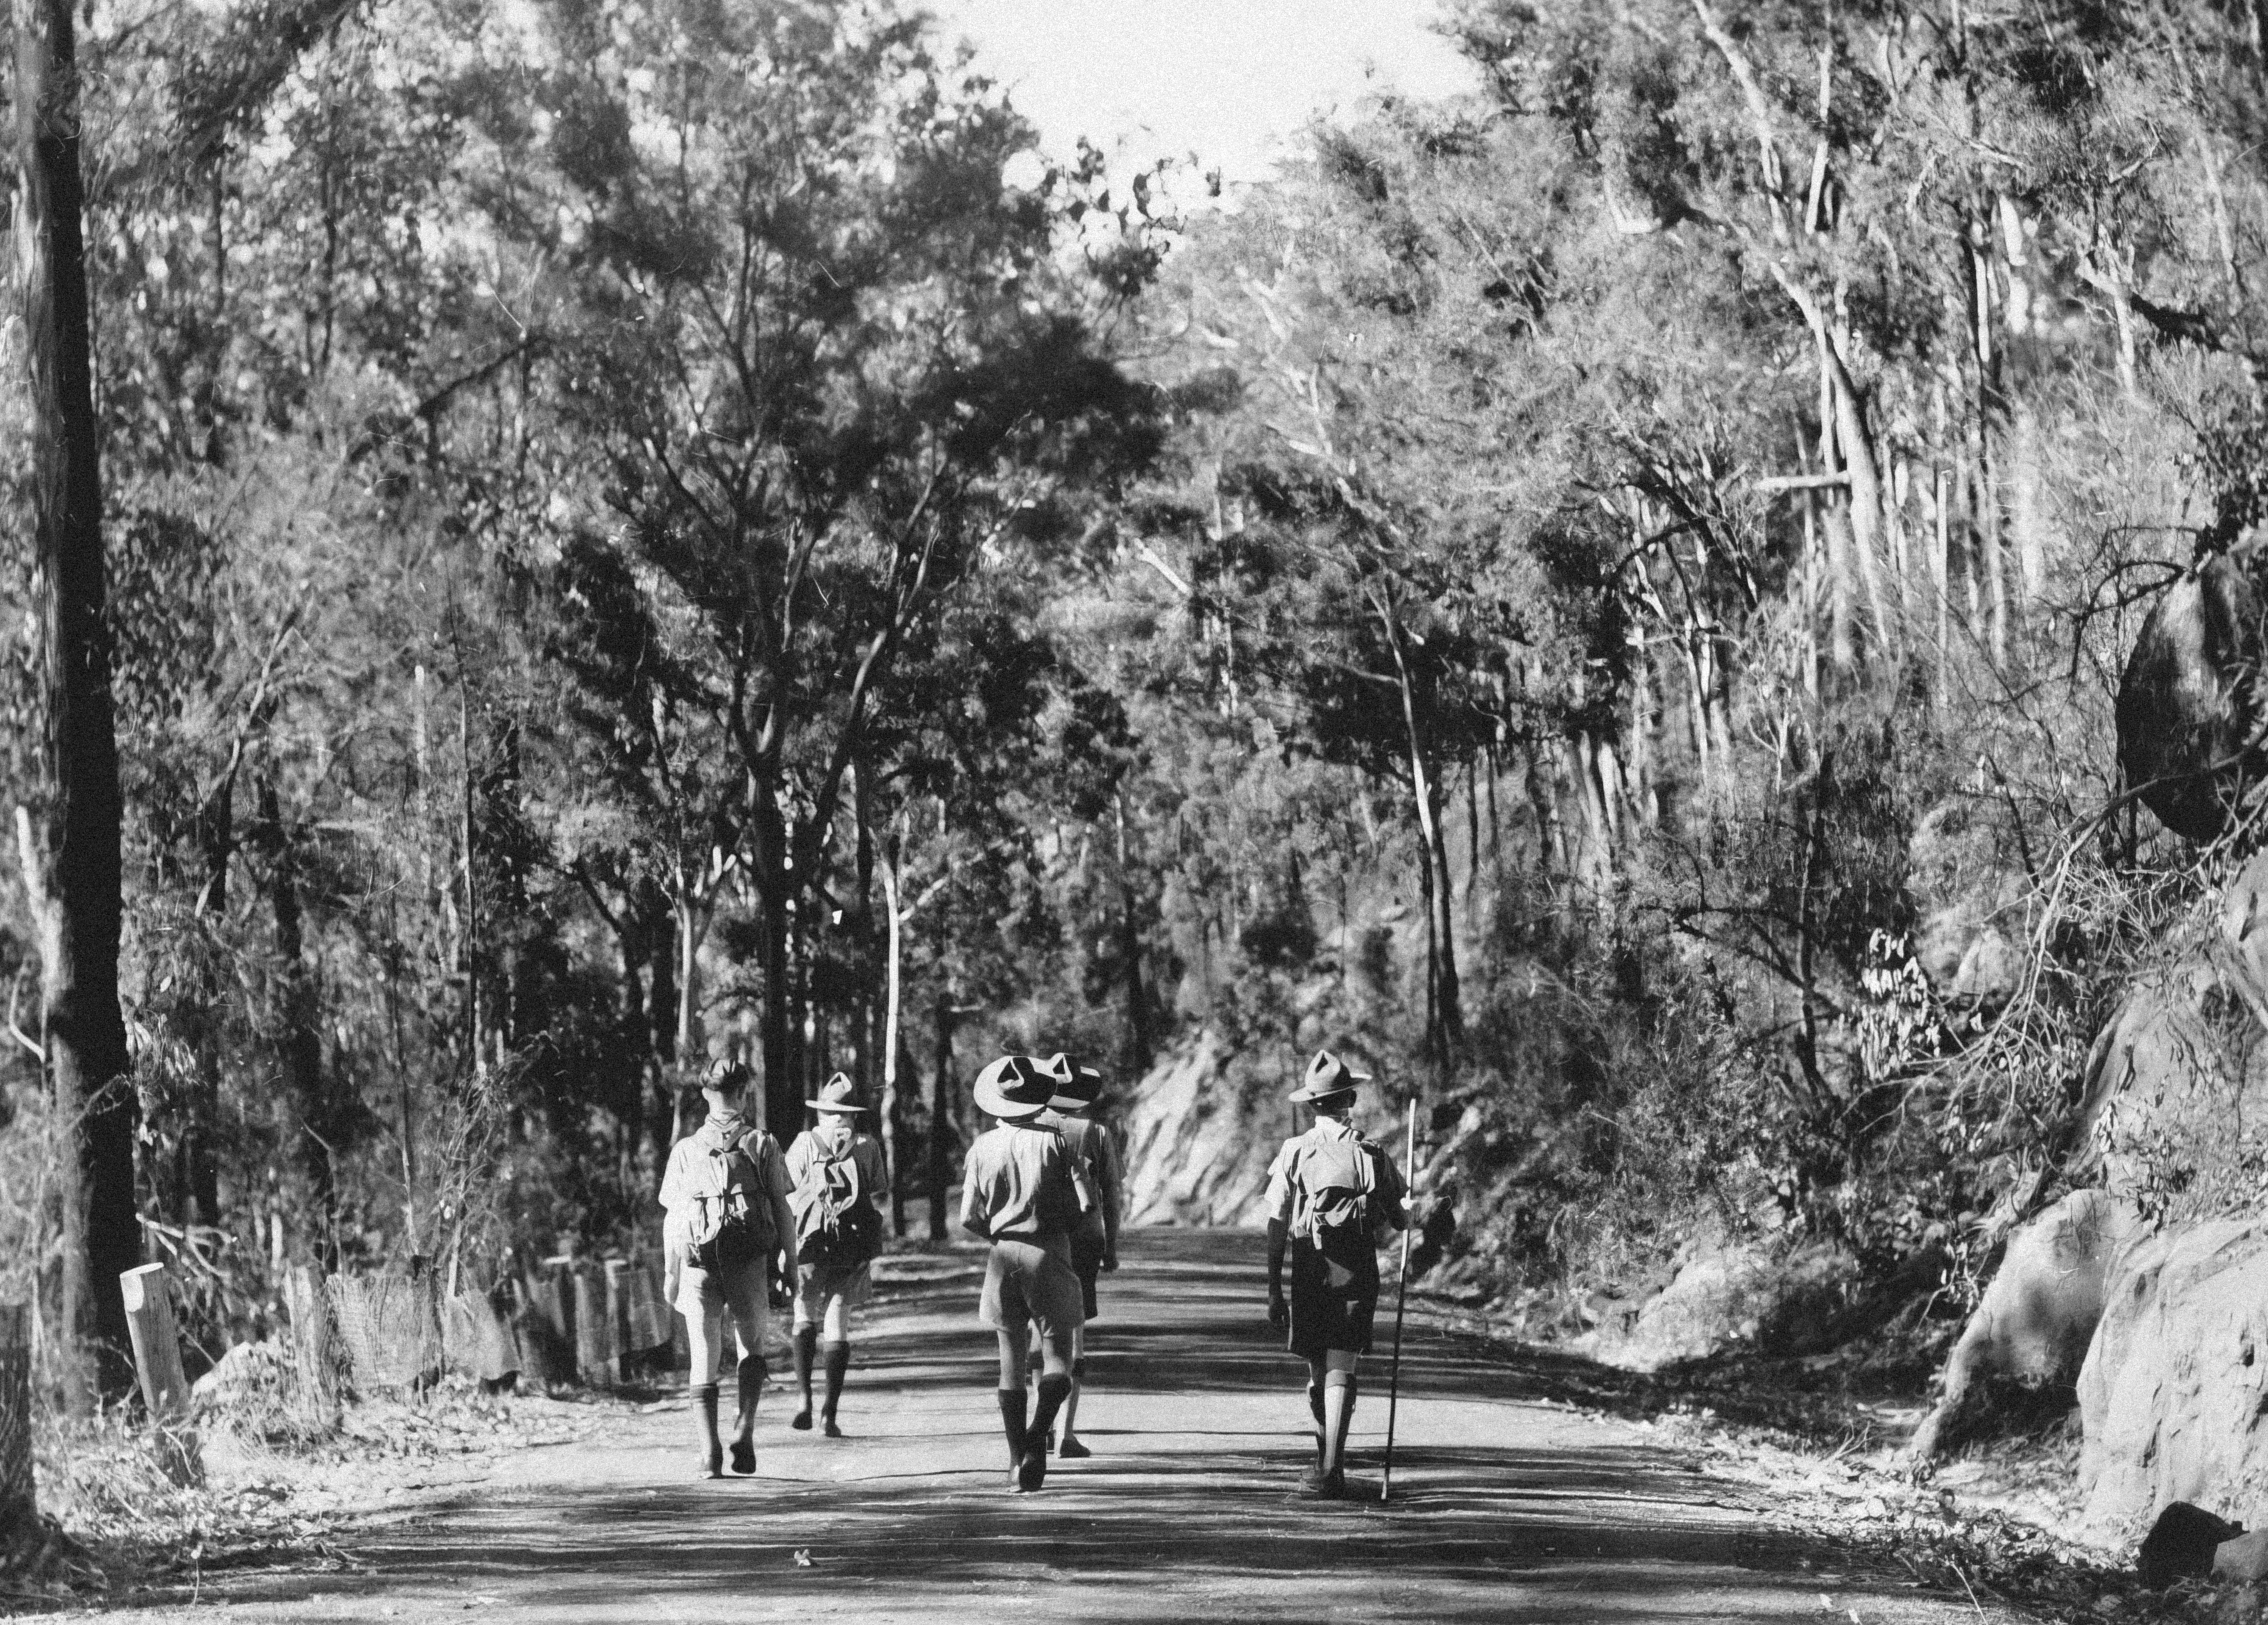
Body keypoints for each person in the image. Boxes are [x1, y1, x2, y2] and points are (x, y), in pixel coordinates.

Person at [1263, 1049, 1407, 1500]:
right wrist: (1415, 1208)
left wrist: (1272, 1287)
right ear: (1350, 1099)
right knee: (1343, 1362)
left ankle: (1326, 1463)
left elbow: (1276, 1223)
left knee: (1317, 1365)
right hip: (1356, 1267)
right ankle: (1332, 1466)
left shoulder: (1294, 1151)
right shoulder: (1371, 1153)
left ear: (1311, 1104)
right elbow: (1401, 1218)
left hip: (1309, 1266)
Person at [960, 1054, 1095, 1493]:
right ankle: (1040, 1435)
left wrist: (999, 1234)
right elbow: (1086, 1204)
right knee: (1059, 1357)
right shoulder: (1059, 1142)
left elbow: (968, 1216)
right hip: (1049, 1249)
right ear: (1039, 1098)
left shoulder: (981, 1147)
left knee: (1010, 1364)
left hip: (1002, 1256)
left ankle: (1017, 1462)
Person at [659, 1057, 799, 1479]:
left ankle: (709, 1454)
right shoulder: (762, 1144)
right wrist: (790, 1262)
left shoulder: (685, 1150)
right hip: (749, 1262)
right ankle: (745, 1427)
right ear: (744, 1093)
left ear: (705, 1094)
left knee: (704, 1354)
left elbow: (673, 1218)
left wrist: (671, 1272)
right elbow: (782, 1208)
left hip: (699, 1264)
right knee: (749, 1347)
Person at [784, 1072, 888, 1437]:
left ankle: (803, 1398)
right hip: (852, 1244)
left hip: (809, 1244)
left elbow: (787, 1195)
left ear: (821, 1114)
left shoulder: (803, 1144)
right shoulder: (868, 1146)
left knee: (803, 1314)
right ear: (854, 1114)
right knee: (837, 1321)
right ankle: (831, 1412)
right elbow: (877, 1194)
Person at [1033, 1052, 1120, 1459]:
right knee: (1076, 1337)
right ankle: (1066, 1434)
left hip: (1038, 1239)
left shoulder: (1030, 1127)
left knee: (1040, 1334)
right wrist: (1112, 1248)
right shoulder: (1095, 1132)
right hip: (1084, 1241)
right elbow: (1112, 1197)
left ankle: (1043, 1424)